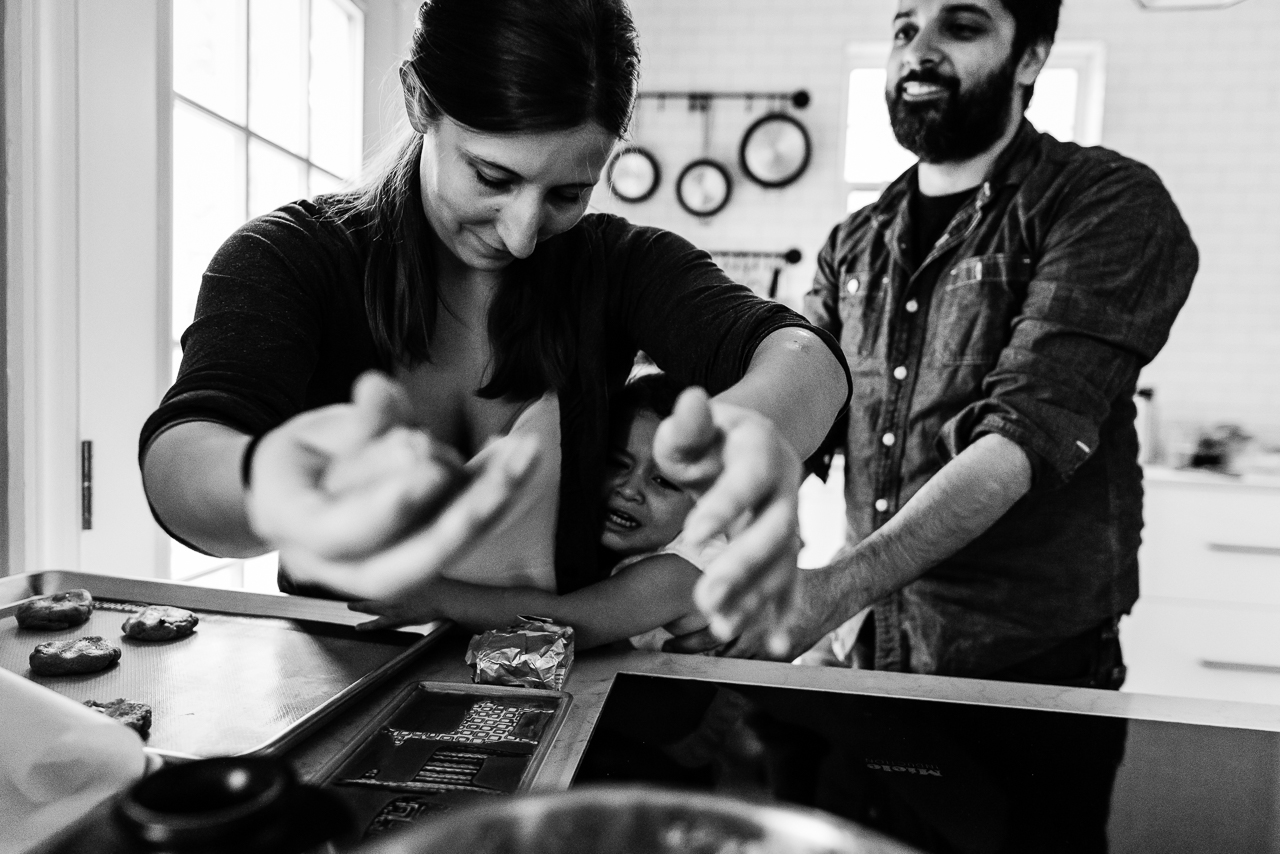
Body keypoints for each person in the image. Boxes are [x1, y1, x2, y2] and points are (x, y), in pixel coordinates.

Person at [138, 0, 849, 644]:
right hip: (335, 682)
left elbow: (803, 357)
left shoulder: (618, 265)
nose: (521, 234)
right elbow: (182, 459)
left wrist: (760, 431)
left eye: (568, 193)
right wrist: (281, 486)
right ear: (420, 102)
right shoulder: (290, 258)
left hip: (557, 687)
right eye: (493, 177)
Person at [710, 0, 1197, 685]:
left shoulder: (1105, 200)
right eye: (904, 30)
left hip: (1023, 656)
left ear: (1031, 56)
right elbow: (805, 411)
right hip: (864, 638)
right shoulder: (854, 242)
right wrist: (765, 545)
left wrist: (834, 591)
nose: (919, 51)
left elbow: (1020, 436)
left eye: (962, 27)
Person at [350, 372, 724, 650]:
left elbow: (572, 623)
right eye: (617, 463)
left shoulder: (687, 568)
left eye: (664, 482)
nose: (629, 489)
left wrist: (441, 597)